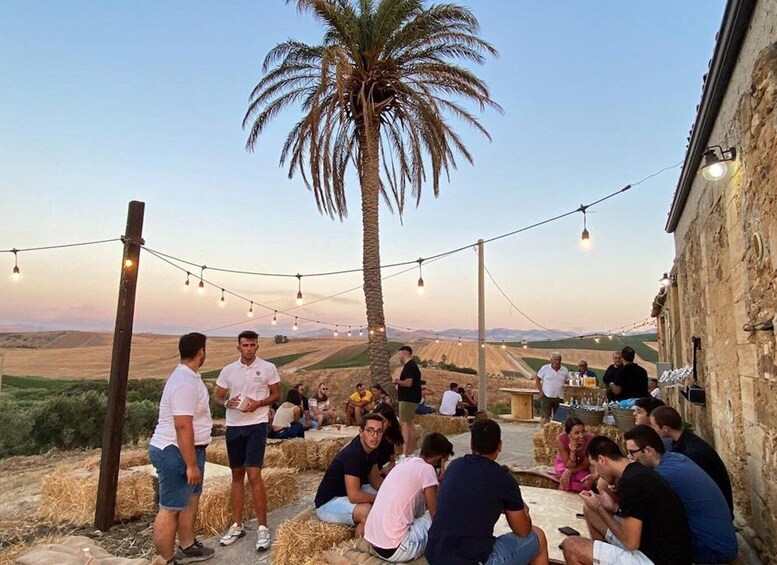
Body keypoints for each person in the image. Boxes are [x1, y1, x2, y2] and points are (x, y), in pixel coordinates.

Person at [426, 419, 549, 565]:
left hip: (435, 555)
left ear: (471, 444)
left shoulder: (454, 466)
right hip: (472, 561)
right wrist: (524, 511)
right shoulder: (504, 479)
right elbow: (523, 531)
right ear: (500, 446)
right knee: (538, 536)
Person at [560, 436, 692, 565]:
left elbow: (630, 542)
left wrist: (599, 507)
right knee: (590, 510)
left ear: (602, 460)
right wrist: (614, 508)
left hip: (655, 559)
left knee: (571, 546)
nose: (597, 472)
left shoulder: (630, 483)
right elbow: (640, 515)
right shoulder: (635, 471)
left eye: (594, 466)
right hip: (653, 545)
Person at [623, 426, 738, 563]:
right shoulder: (675, 458)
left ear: (648, 451)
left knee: (643, 536)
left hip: (714, 549)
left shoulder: (664, 476)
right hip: (723, 542)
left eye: (631, 453)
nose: (630, 458)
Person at [148, 332, 215, 565]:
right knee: (171, 508)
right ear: (201, 352)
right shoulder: (185, 382)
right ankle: (166, 560)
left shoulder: (190, 377)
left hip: (188, 450)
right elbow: (183, 426)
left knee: (190, 500)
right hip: (174, 451)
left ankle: (187, 544)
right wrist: (190, 464)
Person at [213, 330, 281, 551]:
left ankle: (263, 527)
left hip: (257, 425)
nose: (249, 349)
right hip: (234, 426)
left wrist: (259, 403)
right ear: (238, 347)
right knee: (236, 475)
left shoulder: (268, 368)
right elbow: (218, 396)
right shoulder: (228, 370)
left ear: (257, 347)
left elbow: (276, 394)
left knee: (254, 474)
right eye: (245, 345)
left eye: (252, 345)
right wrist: (226, 403)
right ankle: (237, 524)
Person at [364, 433, 454, 562]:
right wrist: (442, 483)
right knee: (443, 515)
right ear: (439, 459)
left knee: (417, 505)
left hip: (375, 543)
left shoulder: (404, 463)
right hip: (397, 548)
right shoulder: (427, 470)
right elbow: (436, 514)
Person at [650, 406, 734, 515]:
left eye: (654, 426)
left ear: (665, 428)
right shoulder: (682, 441)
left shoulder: (693, 452)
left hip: (715, 509)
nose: (652, 428)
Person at [315, 413, 385, 536]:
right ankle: (358, 547)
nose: (375, 436)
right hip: (329, 502)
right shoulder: (353, 454)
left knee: (389, 500)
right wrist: (379, 499)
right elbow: (354, 496)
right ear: (361, 431)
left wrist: (392, 492)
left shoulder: (372, 447)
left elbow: (375, 480)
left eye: (379, 431)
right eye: (370, 431)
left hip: (347, 493)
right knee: (367, 511)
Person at [554, 416, 593, 492]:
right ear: (569, 434)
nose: (581, 436)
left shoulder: (589, 440)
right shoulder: (561, 439)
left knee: (583, 478)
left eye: (583, 431)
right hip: (565, 463)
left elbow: (585, 465)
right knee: (564, 474)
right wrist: (572, 452)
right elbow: (567, 465)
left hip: (581, 467)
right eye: (577, 433)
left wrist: (569, 471)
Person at [395, 345, 422, 456]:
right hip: (411, 399)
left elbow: (408, 383)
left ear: (405, 354)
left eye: (400, 354)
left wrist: (398, 381)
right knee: (410, 424)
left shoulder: (409, 366)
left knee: (404, 424)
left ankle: (405, 452)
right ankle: (410, 451)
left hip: (407, 399)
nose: (399, 357)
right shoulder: (412, 366)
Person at [535, 352, 569, 424]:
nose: (557, 362)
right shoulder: (545, 368)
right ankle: (543, 433)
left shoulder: (565, 370)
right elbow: (538, 379)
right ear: (551, 360)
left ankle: (557, 433)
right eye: (556, 360)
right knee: (545, 417)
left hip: (560, 397)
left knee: (559, 419)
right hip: (547, 396)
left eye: (559, 360)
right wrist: (540, 391)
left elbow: (567, 382)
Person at [373, 403, 405, 477]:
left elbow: (392, 460)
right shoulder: (368, 440)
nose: (378, 424)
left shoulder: (388, 441)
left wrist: (387, 469)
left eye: (383, 421)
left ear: (389, 423)